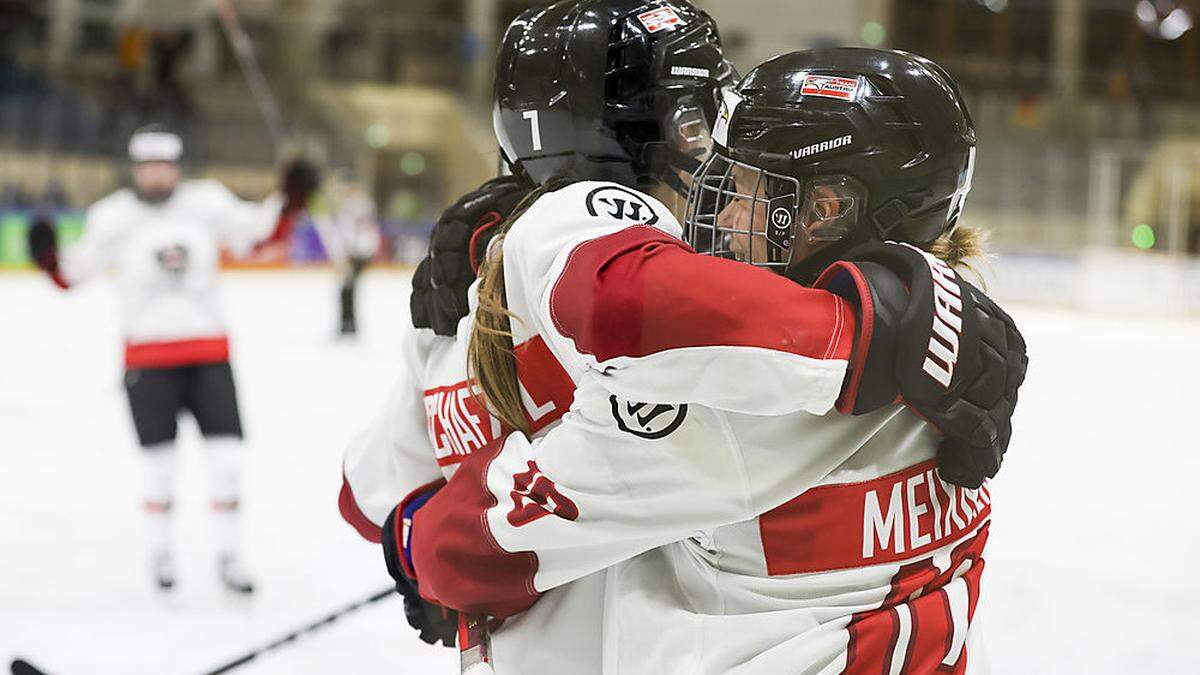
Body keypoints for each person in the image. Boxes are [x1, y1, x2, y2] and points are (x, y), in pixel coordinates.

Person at [385, 46, 1025, 674]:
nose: (717, 210)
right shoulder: (948, 329)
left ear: (825, 212)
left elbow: (479, 546)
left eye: (747, 187)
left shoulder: (739, 396)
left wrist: (414, 541)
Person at [27, 124, 317, 593]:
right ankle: (161, 557)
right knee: (158, 467)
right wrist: (46, 257)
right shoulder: (111, 215)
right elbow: (71, 275)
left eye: (164, 166)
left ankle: (229, 557)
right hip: (148, 358)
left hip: (208, 354)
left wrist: (293, 197)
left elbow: (261, 237)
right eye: (148, 167)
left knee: (226, 461)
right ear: (136, 169)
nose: (157, 175)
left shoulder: (207, 202)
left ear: (176, 167)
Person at [310, 172, 381, 337]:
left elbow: (352, 230)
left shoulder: (355, 205)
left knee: (347, 289)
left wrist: (348, 253)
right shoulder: (361, 204)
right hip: (359, 250)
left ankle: (348, 326)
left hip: (356, 252)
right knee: (347, 289)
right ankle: (348, 325)